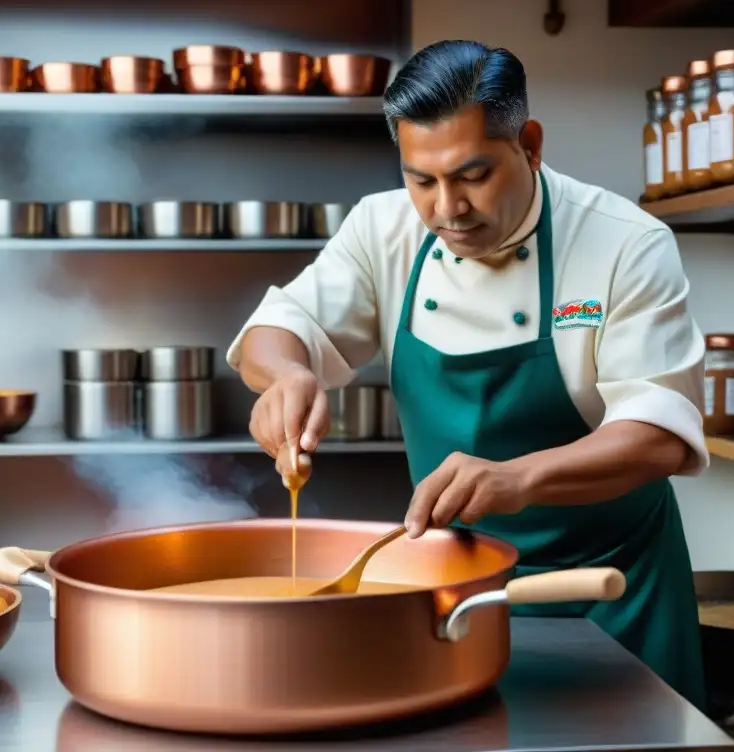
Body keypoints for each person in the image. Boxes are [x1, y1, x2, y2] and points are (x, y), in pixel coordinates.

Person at [227, 39, 709, 709]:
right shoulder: (382, 228)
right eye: (420, 179)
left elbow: (660, 434)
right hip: (457, 594)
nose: (446, 207)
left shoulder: (625, 243)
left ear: (530, 144)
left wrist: (517, 478)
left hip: (614, 587)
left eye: (472, 174)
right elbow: (279, 328)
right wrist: (287, 375)